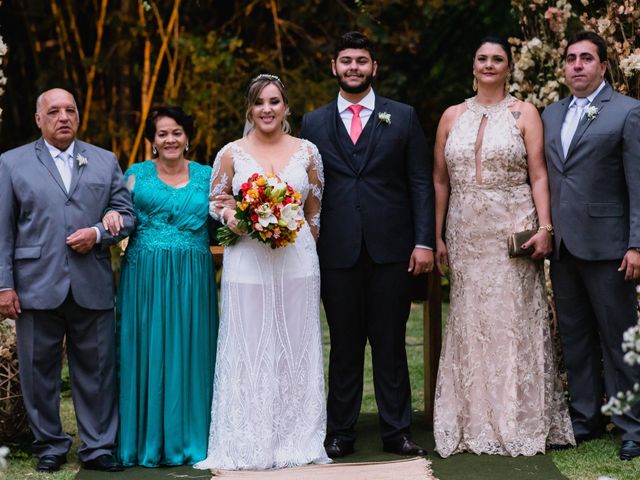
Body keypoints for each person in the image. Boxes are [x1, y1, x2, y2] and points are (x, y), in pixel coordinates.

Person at [432, 37, 575, 457]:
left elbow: (540, 175)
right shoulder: (451, 116)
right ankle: (471, 419)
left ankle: (517, 418)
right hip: (465, 233)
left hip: (512, 228)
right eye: (482, 58)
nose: (489, 64)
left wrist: (545, 226)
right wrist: (437, 234)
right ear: (473, 66)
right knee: (469, 321)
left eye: (498, 59)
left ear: (509, 67)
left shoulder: (525, 112)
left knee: (513, 322)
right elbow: (440, 179)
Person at [300, 31, 434, 458]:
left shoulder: (404, 116)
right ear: (334, 67)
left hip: (391, 249)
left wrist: (424, 241)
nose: (353, 67)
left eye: (361, 60)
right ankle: (341, 431)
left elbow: (419, 182)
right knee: (343, 342)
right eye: (346, 60)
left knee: (391, 341)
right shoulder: (314, 123)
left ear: (374, 67)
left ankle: (397, 432)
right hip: (336, 250)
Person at [194, 74, 329, 470]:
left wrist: (305, 242)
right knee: (249, 343)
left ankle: (296, 439)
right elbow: (215, 200)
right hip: (247, 258)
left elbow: (315, 206)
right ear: (250, 109)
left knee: (295, 344)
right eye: (259, 103)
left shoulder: (307, 151)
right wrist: (231, 216)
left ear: (286, 107)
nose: (267, 109)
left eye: (274, 102)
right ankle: (248, 440)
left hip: (297, 259)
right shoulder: (231, 153)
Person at [0, 88, 134, 472]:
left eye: (70, 110)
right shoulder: (12, 163)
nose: (63, 117)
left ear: (78, 117)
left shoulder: (104, 160)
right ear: (38, 120)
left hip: (90, 282)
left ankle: (97, 447)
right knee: (37, 372)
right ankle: (51, 446)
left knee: (96, 371)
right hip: (34, 284)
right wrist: (4, 285)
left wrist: (98, 232)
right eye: (54, 111)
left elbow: (125, 215)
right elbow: (3, 230)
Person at [541, 30, 640, 461]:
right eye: (570, 58)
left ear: (602, 66)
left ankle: (632, 425)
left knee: (619, 341)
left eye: (586, 58)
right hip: (562, 248)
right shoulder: (549, 114)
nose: (577, 65)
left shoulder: (627, 112)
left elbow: (638, 185)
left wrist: (636, 245)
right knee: (577, 339)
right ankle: (583, 420)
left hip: (610, 247)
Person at [104, 106, 219, 467]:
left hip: (192, 279)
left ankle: (192, 438)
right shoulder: (136, 174)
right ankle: (146, 441)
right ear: (153, 141)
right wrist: (110, 215)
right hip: (146, 280)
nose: (170, 139)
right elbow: (118, 212)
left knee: (192, 349)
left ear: (187, 137)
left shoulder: (207, 175)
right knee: (147, 349)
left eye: (177, 133)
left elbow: (223, 218)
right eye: (162, 133)